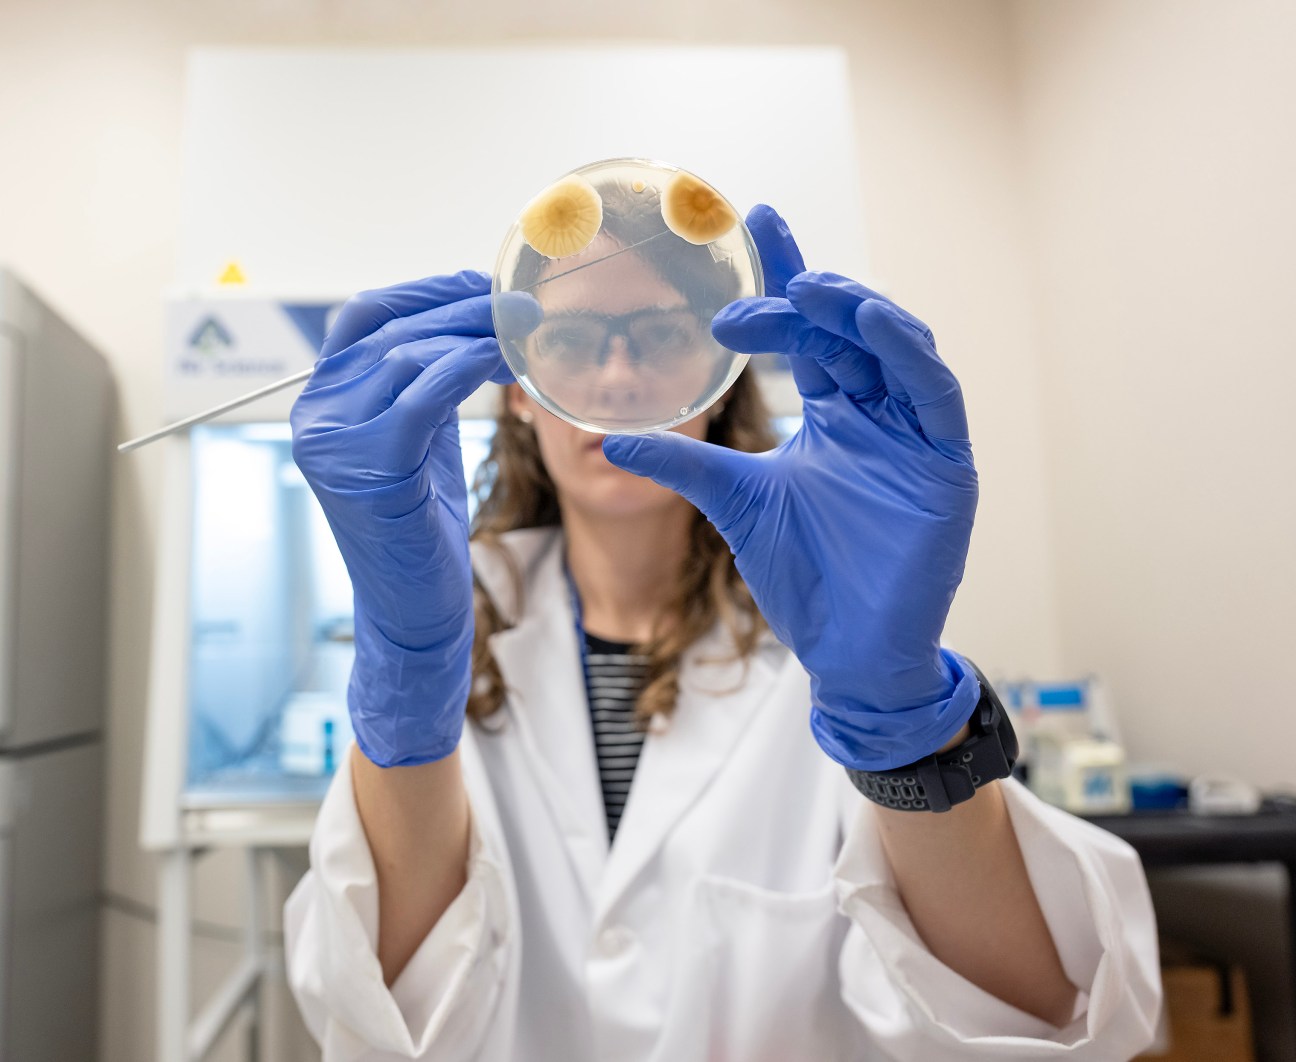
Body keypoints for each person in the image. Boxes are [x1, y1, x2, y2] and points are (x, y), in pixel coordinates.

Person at [283, 204, 1162, 1060]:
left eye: (661, 335)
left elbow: (1047, 1019)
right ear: (517, 386)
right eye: (573, 340)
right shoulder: (448, 616)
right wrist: (407, 671)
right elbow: (383, 1013)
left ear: (722, 369)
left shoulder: (815, 627)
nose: (619, 377)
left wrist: (903, 723)